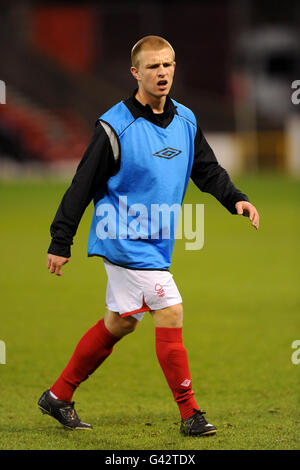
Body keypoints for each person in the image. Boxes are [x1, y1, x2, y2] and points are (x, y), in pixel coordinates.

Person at [38, 35, 259, 436]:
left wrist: (235, 199)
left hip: (154, 242)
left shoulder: (186, 120)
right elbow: (82, 184)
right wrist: (60, 240)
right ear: (135, 73)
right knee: (170, 310)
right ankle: (190, 414)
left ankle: (58, 395)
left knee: (121, 322)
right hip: (122, 237)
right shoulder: (115, 125)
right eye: (153, 67)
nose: (162, 73)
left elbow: (206, 169)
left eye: (168, 65)